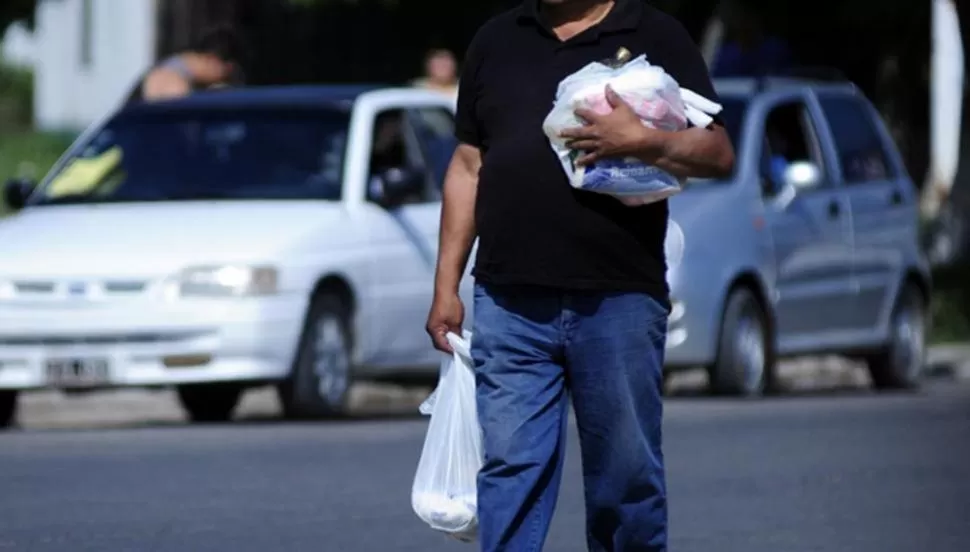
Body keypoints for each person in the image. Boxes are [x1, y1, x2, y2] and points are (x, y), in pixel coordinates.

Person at [425, 1, 735, 550]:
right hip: (509, 298)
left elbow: (717, 152)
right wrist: (446, 285)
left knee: (625, 477)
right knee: (510, 472)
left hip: (618, 295)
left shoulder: (653, 33)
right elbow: (469, 164)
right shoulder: (497, 38)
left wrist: (645, 140)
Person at [124, 25, 245, 104]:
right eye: (225, 75)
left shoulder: (172, 68)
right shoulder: (172, 83)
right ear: (212, 60)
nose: (223, 81)